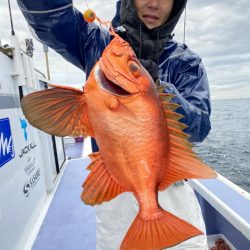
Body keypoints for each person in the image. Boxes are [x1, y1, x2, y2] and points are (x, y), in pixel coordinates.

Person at [18, 0, 211, 249]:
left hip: (173, 193)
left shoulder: (186, 62)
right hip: (116, 195)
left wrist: (157, 88)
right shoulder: (96, 42)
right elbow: (48, 17)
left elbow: (200, 127)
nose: (154, 3)